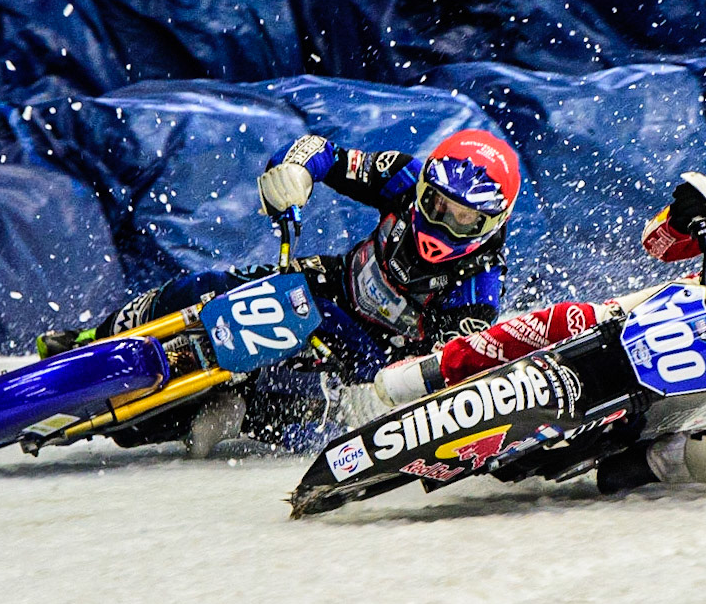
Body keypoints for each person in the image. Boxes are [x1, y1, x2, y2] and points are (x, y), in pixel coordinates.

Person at [376, 119, 706, 494]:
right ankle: (433, 370)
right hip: (704, 301)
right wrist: (682, 216)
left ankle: (657, 462)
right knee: (582, 317)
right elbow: (657, 244)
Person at [38, 128, 521, 455]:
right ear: (423, 188)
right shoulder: (403, 175)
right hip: (332, 282)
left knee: (269, 402)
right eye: (436, 204)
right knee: (206, 287)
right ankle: (94, 339)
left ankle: (216, 418)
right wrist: (297, 172)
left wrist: (383, 394)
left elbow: (447, 371)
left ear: (492, 223)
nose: (443, 223)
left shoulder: (479, 289)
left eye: (465, 219)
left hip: (373, 356)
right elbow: (323, 150)